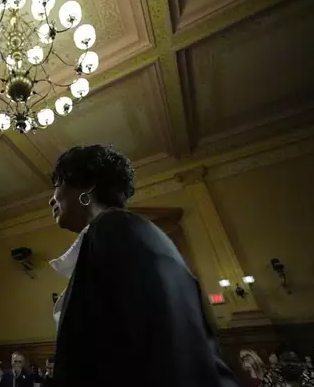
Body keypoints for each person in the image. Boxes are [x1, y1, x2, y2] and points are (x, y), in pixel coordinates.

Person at [47, 144, 239, 387]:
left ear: (87, 187)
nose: (51, 198)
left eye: (58, 185)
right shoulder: (118, 231)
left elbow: (161, 341)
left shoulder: (114, 228)